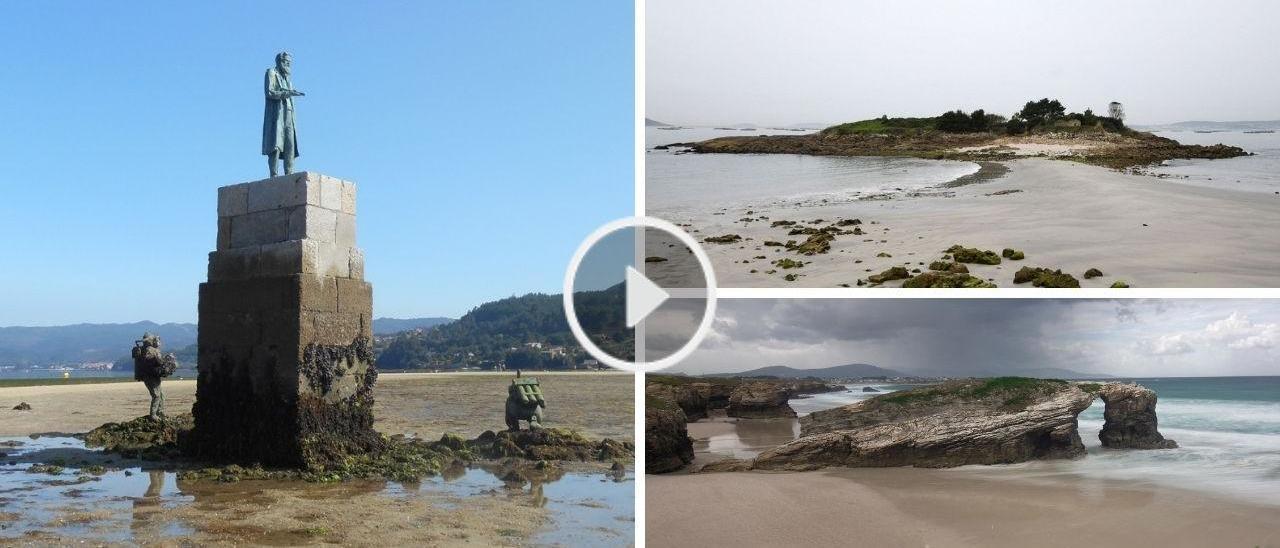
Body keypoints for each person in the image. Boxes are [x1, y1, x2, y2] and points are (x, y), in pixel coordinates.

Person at [262, 51, 305, 177]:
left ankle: (289, 174)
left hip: (289, 115)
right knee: (276, 144)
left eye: (290, 63)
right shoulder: (271, 73)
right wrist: (288, 93)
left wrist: (292, 93)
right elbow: (270, 92)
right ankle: (274, 174)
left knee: (290, 144)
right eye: (286, 62)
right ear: (280, 62)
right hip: (277, 114)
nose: (288, 65)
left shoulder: (288, 81)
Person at [132, 333, 177, 420]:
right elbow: (157, 361)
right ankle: (153, 415)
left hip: (150, 375)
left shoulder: (144, 349)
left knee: (161, 395)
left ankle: (160, 412)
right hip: (150, 376)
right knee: (156, 395)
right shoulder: (151, 350)